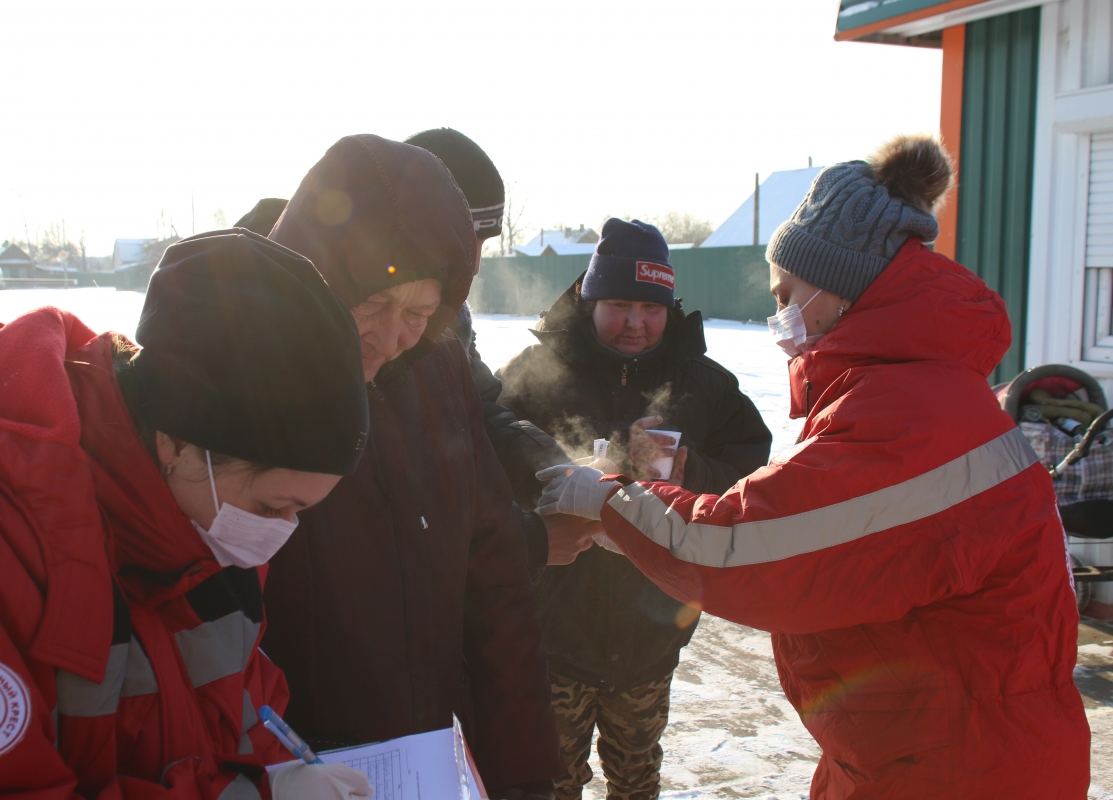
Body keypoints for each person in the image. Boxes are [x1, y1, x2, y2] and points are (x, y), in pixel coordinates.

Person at [533, 134, 1091, 798]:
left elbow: (744, 543)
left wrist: (605, 501)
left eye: (785, 293)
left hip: (965, 767)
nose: (779, 317)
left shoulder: (911, 412)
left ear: (836, 286)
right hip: (912, 749)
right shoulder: (910, 390)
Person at [0, 231, 375, 798]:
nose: (278, 531)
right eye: (272, 506)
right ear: (177, 444)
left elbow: (245, 716)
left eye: (298, 512)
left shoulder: (203, 527)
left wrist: (280, 770)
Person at [261, 134, 563, 799]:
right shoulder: (243, 376)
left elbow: (496, 584)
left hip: (432, 762)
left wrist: (524, 772)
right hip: (297, 760)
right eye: (371, 306)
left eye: (420, 313)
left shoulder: (439, 367)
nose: (395, 337)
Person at [497, 218, 771, 800]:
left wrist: (689, 470)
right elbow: (483, 454)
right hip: (553, 630)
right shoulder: (530, 374)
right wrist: (544, 488)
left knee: (637, 778)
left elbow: (753, 476)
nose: (635, 323)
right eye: (619, 304)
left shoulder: (706, 384)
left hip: (649, 632)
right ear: (589, 299)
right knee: (551, 782)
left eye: (651, 308)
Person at [402, 128, 590, 571]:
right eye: (468, 242)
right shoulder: (364, 323)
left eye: (483, 244)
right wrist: (528, 542)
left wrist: (555, 467)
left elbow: (482, 410)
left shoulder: (452, 322)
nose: (476, 264)